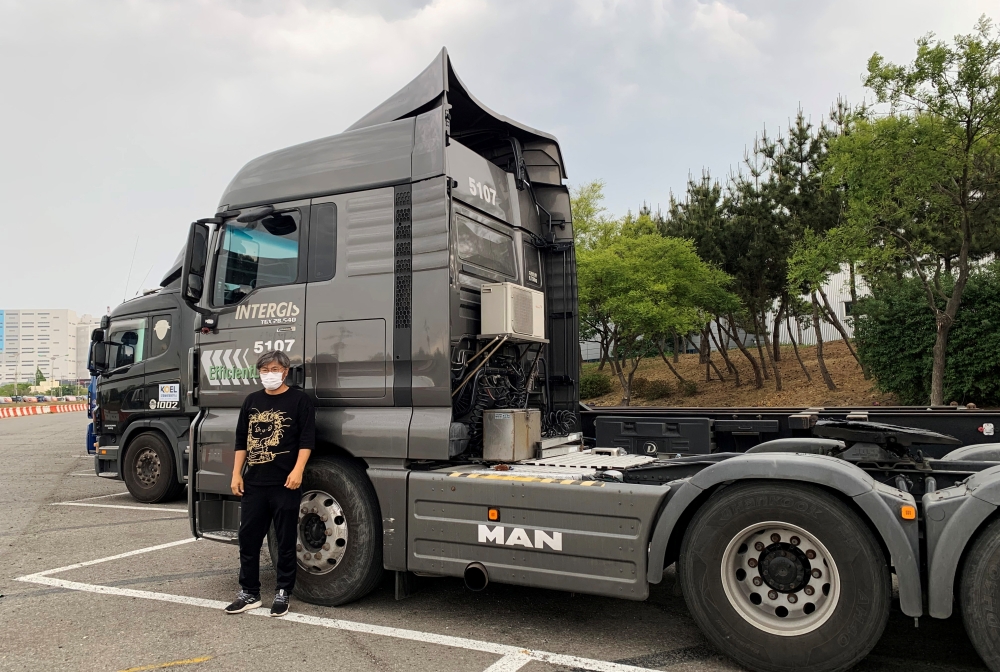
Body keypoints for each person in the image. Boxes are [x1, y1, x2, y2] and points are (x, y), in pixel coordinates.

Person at [224, 350, 314, 617]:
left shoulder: (299, 400)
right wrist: (236, 474)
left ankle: (283, 592)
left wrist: (298, 470)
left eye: (274, 369)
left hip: (285, 483)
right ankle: (249, 593)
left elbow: (307, 440)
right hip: (254, 483)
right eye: (264, 370)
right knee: (248, 539)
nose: (269, 374)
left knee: (285, 540)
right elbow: (242, 441)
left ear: (285, 372)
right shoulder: (252, 401)